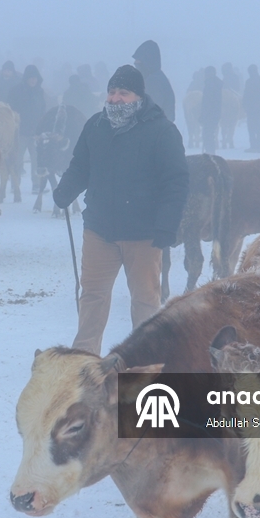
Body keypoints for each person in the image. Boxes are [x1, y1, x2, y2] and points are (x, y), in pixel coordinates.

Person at [52, 65, 188, 354]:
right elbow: (80, 166)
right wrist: (66, 189)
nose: (115, 98)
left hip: (144, 234)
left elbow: (175, 182)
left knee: (145, 300)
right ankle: (85, 355)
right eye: (112, 92)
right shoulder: (95, 126)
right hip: (100, 230)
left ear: (138, 97)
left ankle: (147, 356)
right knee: (92, 295)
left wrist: (167, 225)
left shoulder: (162, 131)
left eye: (123, 93)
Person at [7, 64, 47, 198]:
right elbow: (10, 109)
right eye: (30, 78)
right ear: (26, 78)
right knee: (17, 159)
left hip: (36, 132)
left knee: (36, 159)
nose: (33, 80)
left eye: (35, 78)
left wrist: (42, 127)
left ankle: (36, 184)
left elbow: (42, 111)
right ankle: (15, 183)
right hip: (20, 131)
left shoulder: (40, 92)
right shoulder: (16, 91)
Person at [132, 40, 175, 122]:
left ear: (147, 61)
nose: (135, 63)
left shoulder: (153, 82)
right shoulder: (159, 78)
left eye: (138, 60)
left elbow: (149, 115)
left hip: (156, 132)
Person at [242, 64, 260, 152]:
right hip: (257, 108)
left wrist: (245, 104)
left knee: (252, 127)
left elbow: (246, 95)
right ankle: (257, 146)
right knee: (256, 127)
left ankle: (254, 146)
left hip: (252, 108)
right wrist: (259, 101)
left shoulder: (249, 81)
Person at [200, 65, 223, 153]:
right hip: (215, 113)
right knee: (210, 134)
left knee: (207, 135)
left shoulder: (210, 84)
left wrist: (203, 115)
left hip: (209, 115)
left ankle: (210, 154)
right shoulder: (216, 84)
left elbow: (207, 102)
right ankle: (211, 153)